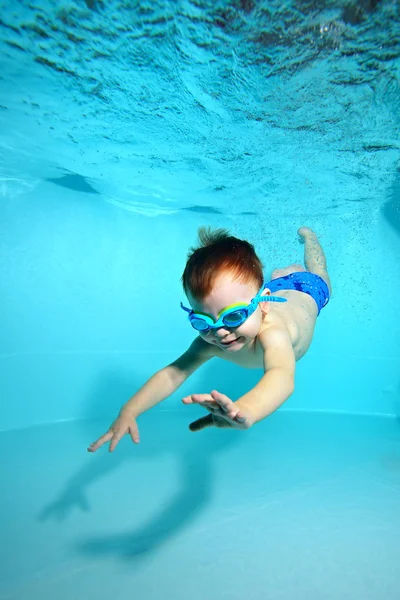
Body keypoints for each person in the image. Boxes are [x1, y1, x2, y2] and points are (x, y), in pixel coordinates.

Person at [88, 226, 331, 453]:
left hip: (309, 292)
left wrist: (247, 409)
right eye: (203, 323)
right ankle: (280, 278)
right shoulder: (212, 339)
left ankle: (309, 239)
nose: (220, 332)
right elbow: (173, 374)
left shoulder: (273, 333)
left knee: (318, 273)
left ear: (263, 304)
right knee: (277, 279)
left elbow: (281, 376)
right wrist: (130, 409)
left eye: (234, 316)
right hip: (274, 289)